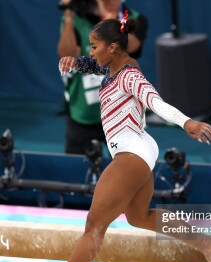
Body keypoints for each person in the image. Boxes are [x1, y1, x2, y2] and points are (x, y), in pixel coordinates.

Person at [28, 16, 211, 262]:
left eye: (94, 46)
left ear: (114, 48)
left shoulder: (130, 75)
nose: (90, 51)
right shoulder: (113, 68)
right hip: (137, 150)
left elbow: (155, 102)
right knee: (138, 217)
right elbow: (89, 64)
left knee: (95, 225)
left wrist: (186, 122)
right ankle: (205, 241)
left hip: (132, 152)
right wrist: (74, 61)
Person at [58, 0, 148, 155]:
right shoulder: (77, 17)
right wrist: (68, 16)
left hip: (122, 114)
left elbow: (131, 45)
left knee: (127, 172)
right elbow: (67, 54)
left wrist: (109, 20)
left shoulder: (134, 18)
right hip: (84, 112)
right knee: (79, 169)